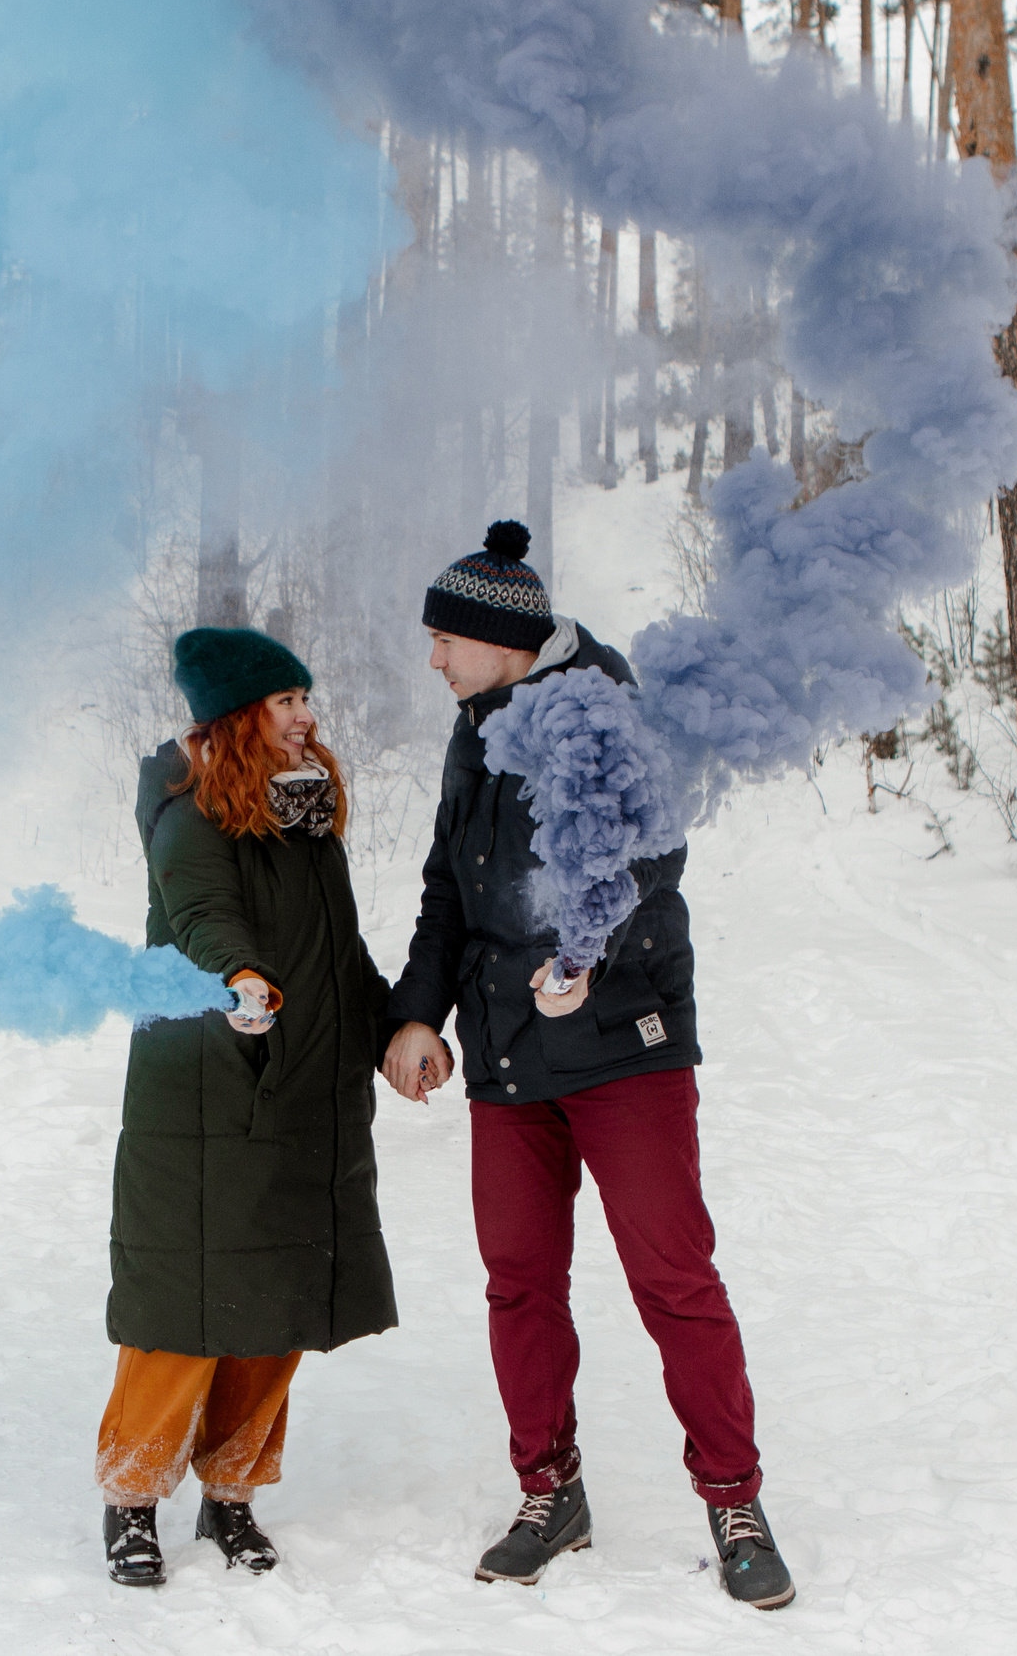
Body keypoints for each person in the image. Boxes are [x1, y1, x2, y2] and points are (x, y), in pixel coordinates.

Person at [380, 521, 794, 1611]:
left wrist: (585, 956)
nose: (433, 657)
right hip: (508, 1055)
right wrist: (416, 1014)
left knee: (673, 1279)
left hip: (622, 1049)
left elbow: (649, 860)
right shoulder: (474, 730)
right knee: (519, 1281)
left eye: (444, 638)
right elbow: (447, 887)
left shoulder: (606, 708)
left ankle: (734, 1498)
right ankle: (548, 1489)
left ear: (501, 639)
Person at [97, 626, 400, 1588]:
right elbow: (199, 916)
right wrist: (239, 975)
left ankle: (231, 1492)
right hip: (208, 1086)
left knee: (275, 1308)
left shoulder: (305, 818)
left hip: (303, 1087)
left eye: (305, 698)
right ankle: (132, 1498)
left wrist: (392, 1027)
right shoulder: (188, 815)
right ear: (238, 717)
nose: (307, 716)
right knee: (183, 1309)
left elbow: (339, 952)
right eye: (285, 702)